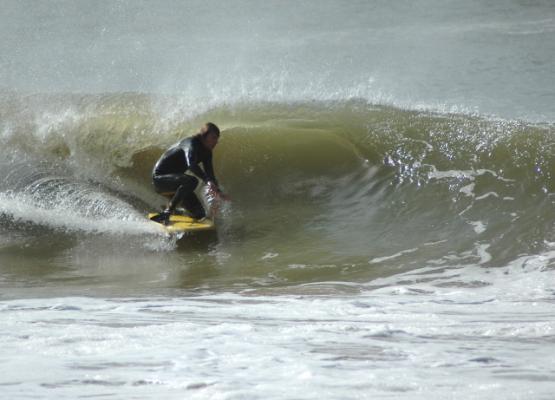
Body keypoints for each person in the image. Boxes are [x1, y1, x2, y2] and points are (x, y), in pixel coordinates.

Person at [150, 122, 227, 224]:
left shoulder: (207, 152)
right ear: (204, 136)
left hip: (178, 183)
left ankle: (175, 210)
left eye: (217, 139)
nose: (216, 141)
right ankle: (168, 211)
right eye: (213, 137)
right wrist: (207, 181)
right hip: (160, 180)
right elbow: (191, 164)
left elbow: (210, 175)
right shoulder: (191, 143)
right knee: (192, 181)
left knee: (200, 214)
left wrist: (218, 192)